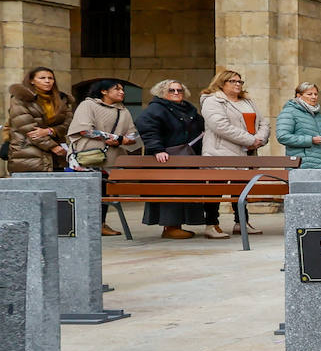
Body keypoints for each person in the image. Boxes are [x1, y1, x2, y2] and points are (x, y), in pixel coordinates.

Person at [134, 79, 207, 239]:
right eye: (171, 90)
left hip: (187, 157)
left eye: (179, 90)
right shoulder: (156, 109)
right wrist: (156, 149)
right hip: (167, 158)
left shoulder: (188, 109)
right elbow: (146, 127)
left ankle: (177, 225)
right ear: (162, 93)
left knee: (184, 190)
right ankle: (170, 227)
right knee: (170, 189)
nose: (176, 93)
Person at [68, 79, 139, 236]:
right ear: (104, 91)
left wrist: (124, 139)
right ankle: (81, 226)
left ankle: (101, 224)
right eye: (116, 89)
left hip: (111, 159)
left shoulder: (124, 111)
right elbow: (83, 130)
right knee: (85, 193)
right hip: (88, 157)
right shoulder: (88, 105)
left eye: (122, 89)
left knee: (105, 193)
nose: (122, 92)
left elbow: (132, 134)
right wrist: (115, 137)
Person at [201, 70, 267, 236]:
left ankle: (242, 223)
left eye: (240, 81)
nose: (238, 84)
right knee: (216, 189)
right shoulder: (213, 101)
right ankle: (211, 225)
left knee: (241, 188)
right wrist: (250, 140)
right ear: (222, 83)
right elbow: (220, 126)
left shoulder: (247, 101)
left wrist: (259, 138)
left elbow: (264, 122)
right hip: (220, 152)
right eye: (233, 81)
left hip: (246, 153)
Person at [7, 66, 74, 175]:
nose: (47, 81)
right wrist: (53, 146)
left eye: (50, 78)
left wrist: (50, 131)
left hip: (57, 157)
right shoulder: (20, 98)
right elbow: (28, 128)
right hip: (28, 154)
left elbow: (68, 123)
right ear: (32, 81)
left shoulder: (62, 99)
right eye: (42, 78)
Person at [276, 82, 321, 170]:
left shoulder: (318, 114)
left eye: (315, 94)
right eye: (309, 94)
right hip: (301, 165)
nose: (314, 97)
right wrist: (310, 140)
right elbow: (283, 137)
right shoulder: (289, 112)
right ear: (299, 96)